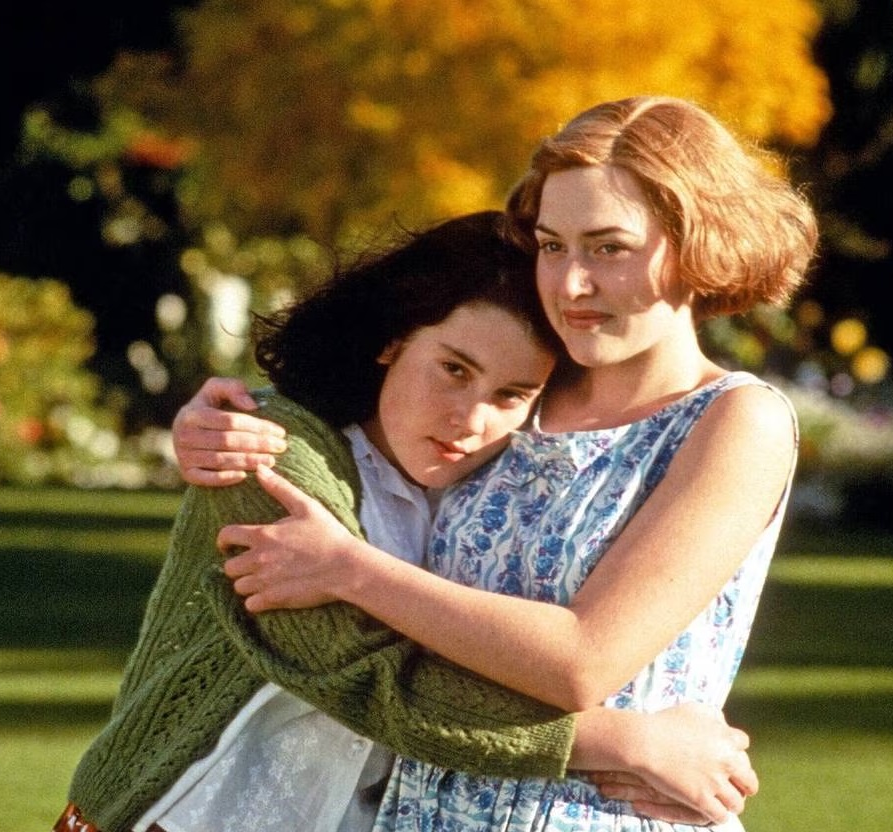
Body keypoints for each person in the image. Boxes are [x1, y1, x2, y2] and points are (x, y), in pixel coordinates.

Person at [174, 95, 816, 831]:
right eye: (552, 246)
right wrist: (222, 418)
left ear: (698, 240)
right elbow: (384, 400)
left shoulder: (737, 421)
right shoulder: (525, 390)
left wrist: (348, 568)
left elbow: (582, 661)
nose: (570, 284)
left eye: (609, 247)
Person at [60, 210, 758, 832]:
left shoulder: (494, 489)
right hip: (172, 812)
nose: (471, 419)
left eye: (511, 394)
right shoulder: (268, 451)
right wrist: (629, 745)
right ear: (393, 340)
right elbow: (367, 678)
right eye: (454, 370)